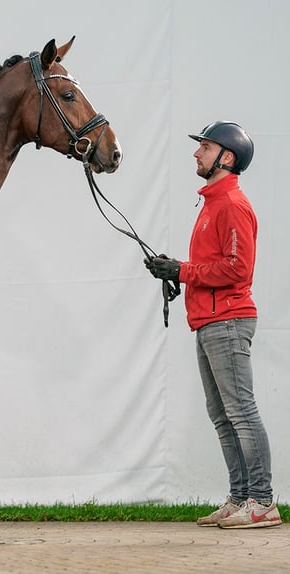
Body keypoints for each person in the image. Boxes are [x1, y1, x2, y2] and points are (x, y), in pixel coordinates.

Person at [145, 121, 281, 529]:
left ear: (227, 157)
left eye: (204, 147)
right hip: (209, 321)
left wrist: (183, 271)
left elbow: (239, 269)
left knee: (240, 410)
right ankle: (240, 498)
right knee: (222, 414)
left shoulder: (232, 205)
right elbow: (213, 266)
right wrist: (178, 276)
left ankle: (261, 502)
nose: (196, 153)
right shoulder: (211, 204)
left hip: (229, 320)